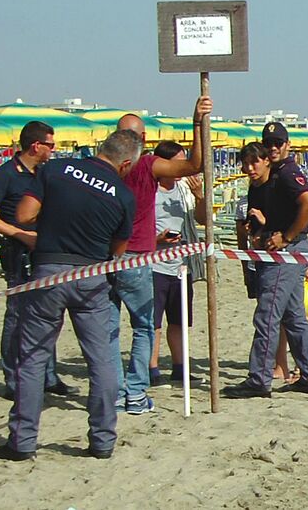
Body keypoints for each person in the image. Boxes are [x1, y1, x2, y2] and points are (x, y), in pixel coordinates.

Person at [0, 129, 142, 461]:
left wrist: (54, 223)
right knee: (101, 360)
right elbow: (117, 250)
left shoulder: (56, 170)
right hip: (90, 275)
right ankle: (102, 440)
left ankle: (22, 441)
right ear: (126, 162)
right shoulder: (122, 194)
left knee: (32, 358)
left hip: (48, 270)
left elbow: (23, 216)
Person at [111, 95, 212, 415]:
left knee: (116, 327)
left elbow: (193, 173)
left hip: (118, 256)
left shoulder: (111, 166)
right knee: (141, 326)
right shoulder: (143, 165)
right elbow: (195, 164)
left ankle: (120, 389)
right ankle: (136, 388)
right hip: (140, 257)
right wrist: (196, 122)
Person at [223, 122, 308, 399]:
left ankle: (259, 379)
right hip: (280, 250)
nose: (274, 147)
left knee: (268, 315)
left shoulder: (288, 172)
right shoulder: (265, 179)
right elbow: (273, 217)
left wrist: (286, 238)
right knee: (293, 317)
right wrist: (259, 233)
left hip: (286, 253)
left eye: (278, 142)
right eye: (269, 143)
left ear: (287, 144)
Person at [0, 121, 77, 401]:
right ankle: (13, 378)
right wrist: (20, 234)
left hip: (45, 251)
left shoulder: (45, 174)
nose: (53, 151)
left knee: (49, 314)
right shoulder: (7, 174)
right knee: (18, 315)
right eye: (50, 145)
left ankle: (48, 375)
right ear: (36, 146)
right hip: (18, 252)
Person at [235, 143, 296, 384]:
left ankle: (277, 368)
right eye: (246, 164)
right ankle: (284, 366)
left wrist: (267, 222)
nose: (249, 168)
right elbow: (244, 236)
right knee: (280, 314)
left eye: (254, 163)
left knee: (278, 316)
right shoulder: (251, 192)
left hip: (280, 259)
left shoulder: (278, 188)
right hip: (257, 260)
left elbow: (291, 223)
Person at [148, 141, 208, 388]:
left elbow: (204, 220)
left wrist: (199, 195)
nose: (184, 167)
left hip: (180, 264)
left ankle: (179, 368)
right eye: (179, 161)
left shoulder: (183, 189)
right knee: (154, 322)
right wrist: (158, 239)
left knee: (180, 320)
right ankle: (152, 370)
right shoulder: (150, 192)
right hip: (155, 264)